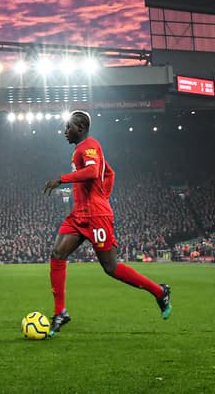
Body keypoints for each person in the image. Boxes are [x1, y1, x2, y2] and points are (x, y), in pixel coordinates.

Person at [42, 111, 171, 336]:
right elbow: (110, 173)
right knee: (57, 253)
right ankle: (60, 311)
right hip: (79, 215)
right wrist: (103, 195)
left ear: (80, 127)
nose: (65, 132)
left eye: (68, 127)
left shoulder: (89, 146)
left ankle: (159, 291)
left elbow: (93, 172)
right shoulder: (81, 149)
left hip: (96, 217)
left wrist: (63, 180)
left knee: (111, 268)